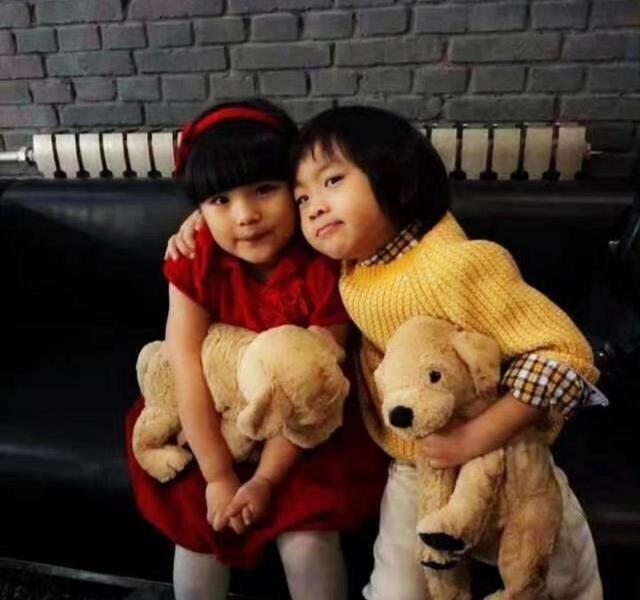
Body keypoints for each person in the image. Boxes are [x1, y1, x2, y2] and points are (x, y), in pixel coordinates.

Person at [169, 105, 606, 599]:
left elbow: (566, 353)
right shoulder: (350, 263)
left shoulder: (454, 264)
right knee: (398, 588)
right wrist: (201, 216)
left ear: (396, 178)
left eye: (332, 181)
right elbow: (246, 209)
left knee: (553, 578)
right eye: (303, 195)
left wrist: (474, 438)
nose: (313, 207)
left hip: (507, 456)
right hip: (411, 461)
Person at [126, 99, 387, 600]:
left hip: (304, 430)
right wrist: (218, 476)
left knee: (307, 540)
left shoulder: (325, 260)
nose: (245, 216)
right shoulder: (196, 257)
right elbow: (185, 366)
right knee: (198, 534)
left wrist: (265, 479)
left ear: (296, 189)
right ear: (199, 210)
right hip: (211, 418)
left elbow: (311, 387)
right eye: (220, 200)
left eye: (265, 190)